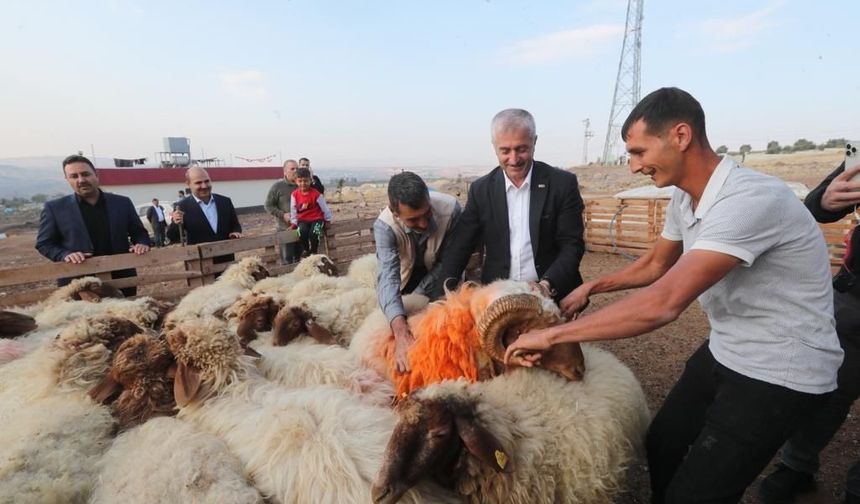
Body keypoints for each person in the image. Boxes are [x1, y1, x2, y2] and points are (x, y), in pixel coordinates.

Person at [503, 87, 844, 504]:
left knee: (700, 492)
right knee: (662, 444)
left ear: (680, 136)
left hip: (780, 366)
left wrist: (551, 336)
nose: (632, 167)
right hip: (730, 347)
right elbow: (655, 266)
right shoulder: (685, 198)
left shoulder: (749, 200)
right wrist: (592, 286)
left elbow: (664, 302)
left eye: (639, 152)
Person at [758, 159, 860, 504]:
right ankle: (796, 466)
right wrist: (826, 200)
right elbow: (816, 204)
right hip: (852, 299)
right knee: (827, 388)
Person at [437, 108, 585, 302]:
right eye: (505, 151)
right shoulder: (481, 190)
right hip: (498, 297)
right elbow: (460, 247)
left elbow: (571, 244)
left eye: (521, 149)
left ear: (534, 142)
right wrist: (440, 298)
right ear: (494, 146)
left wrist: (547, 284)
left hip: (551, 293)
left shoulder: (562, 184)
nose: (514, 160)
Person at [374, 171, 461, 372]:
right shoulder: (385, 226)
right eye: (413, 220)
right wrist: (400, 330)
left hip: (444, 279)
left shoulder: (450, 210)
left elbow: (449, 262)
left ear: (429, 198)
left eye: (427, 213)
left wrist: (419, 298)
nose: (423, 224)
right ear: (395, 213)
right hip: (406, 278)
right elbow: (388, 276)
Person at [35, 154, 151, 296]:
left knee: (124, 317)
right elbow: (44, 243)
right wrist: (65, 254)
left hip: (121, 278)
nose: (81, 180)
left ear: (96, 175)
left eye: (85, 174)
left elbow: (139, 232)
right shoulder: (55, 208)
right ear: (67, 180)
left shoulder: (122, 203)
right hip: (78, 284)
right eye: (74, 176)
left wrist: (141, 243)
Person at [167, 167, 243, 264]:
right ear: (188, 184)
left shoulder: (225, 201)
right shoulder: (182, 207)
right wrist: (175, 223)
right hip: (200, 265)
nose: (204, 186)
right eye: (198, 183)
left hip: (226, 262)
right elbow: (172, 237)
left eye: (207, 181)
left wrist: (235, 232)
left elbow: (235, 225)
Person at [264, 159, 302, 264]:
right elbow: (268, 205)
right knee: (287, 261)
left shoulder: (302, 185)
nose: (295, 170)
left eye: (297, 168)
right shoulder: (277, 187)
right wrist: (282, 214)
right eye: (292, 169)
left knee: (301, 260)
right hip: (285, 229)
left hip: (301, 229)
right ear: (285, 171)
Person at [290, 167, 333, 257]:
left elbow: (324, 207)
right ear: (296, 181)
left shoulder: (316, 194)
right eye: (300, 181)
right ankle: (306, 249)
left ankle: (314, 251)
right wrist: (294, 222)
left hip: (317, 219)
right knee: (302, 232)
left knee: (314, 233)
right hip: (303, 220)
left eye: (305, 181)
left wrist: (327, 220)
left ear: (310, 181)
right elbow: (293, 209)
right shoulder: (294, 195)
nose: (303, 183)